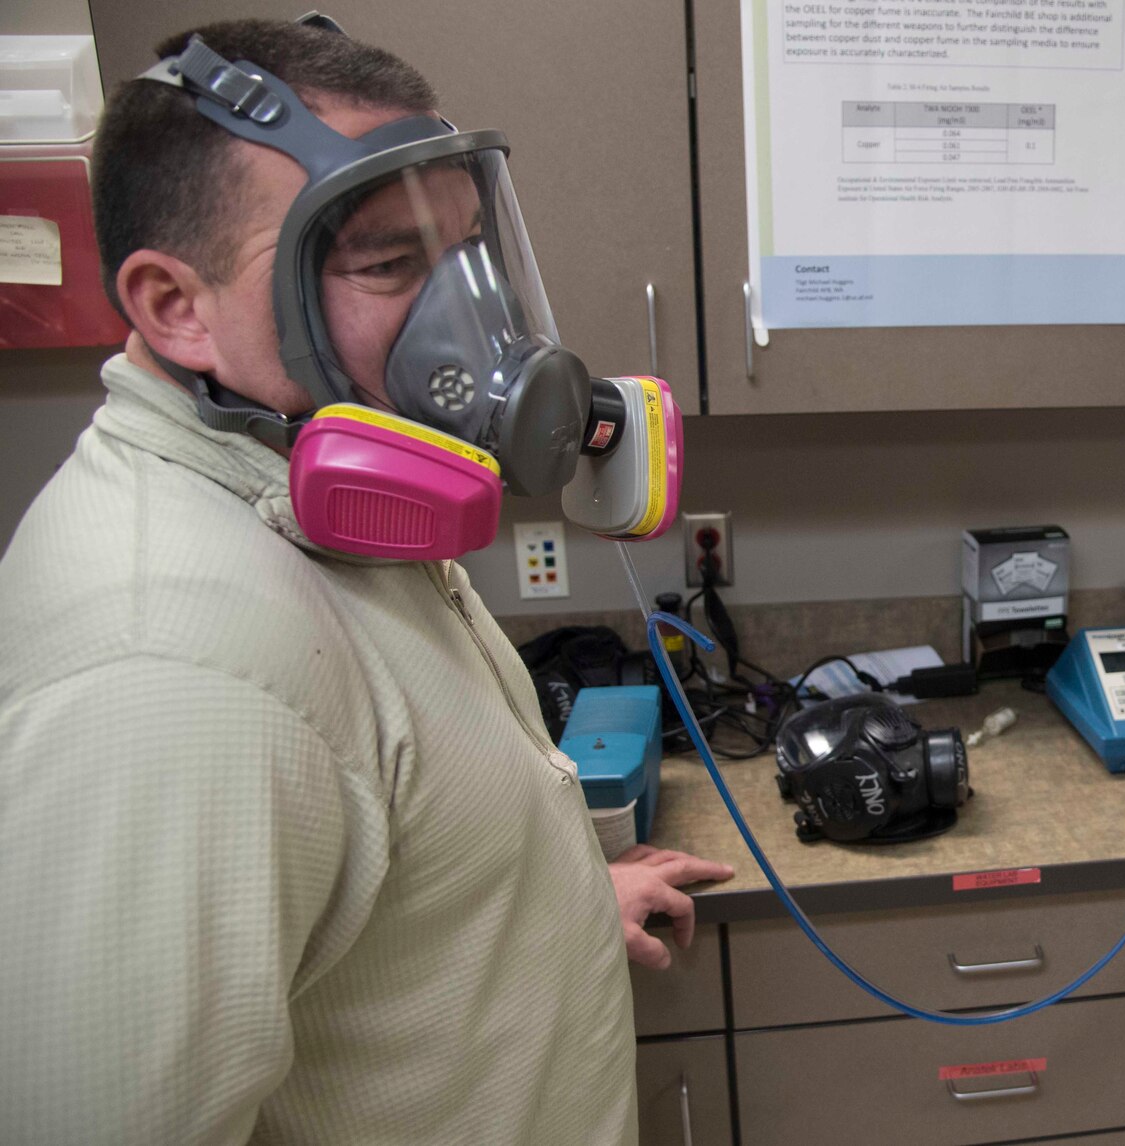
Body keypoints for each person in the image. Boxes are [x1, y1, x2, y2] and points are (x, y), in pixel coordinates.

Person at [0, 19, 731, 1143]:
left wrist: (559, 905)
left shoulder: (312, 505)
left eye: (469, 253)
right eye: (390, 265)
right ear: (173, 307)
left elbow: (378, 879)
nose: (475, 328)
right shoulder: (171, 670)